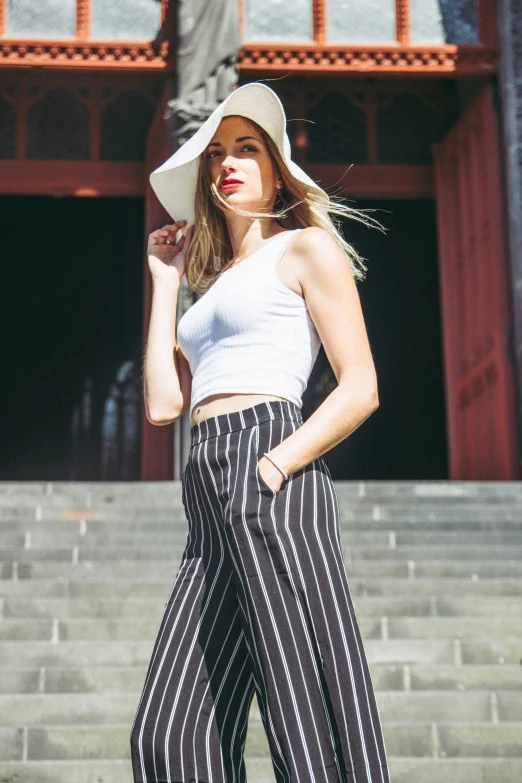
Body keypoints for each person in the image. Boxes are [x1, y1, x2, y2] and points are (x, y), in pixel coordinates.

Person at [130, 82, 390, 783]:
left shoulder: (306, 250)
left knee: (304, 711)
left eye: (246, 149)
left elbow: (360, 385)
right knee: (167, 733)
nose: (227, 163)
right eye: (216, 153)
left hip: (271, 458)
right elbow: (162, 404)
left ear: (276, 168)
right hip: (206, 488)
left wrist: (274, 466)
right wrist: (164, 281)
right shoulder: (207, 288)